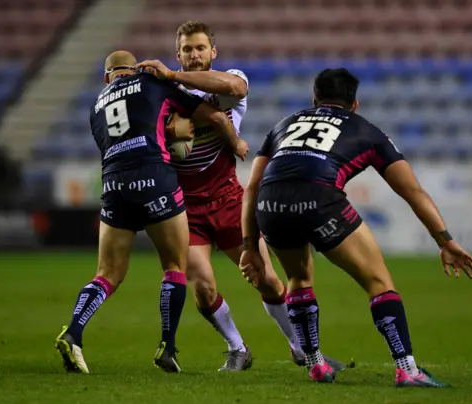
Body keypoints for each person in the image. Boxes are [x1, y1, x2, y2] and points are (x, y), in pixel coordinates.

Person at [239, 67, 472, 385]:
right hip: (318, 199)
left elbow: (252, 187)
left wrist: (249, 246)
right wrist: (444, 240)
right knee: (378, 281)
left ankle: (316, 364)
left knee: (298, 277)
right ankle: (407, 370)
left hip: (270, 204)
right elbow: (412, 191)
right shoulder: (366, 131)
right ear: (355, 104)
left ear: (314, 99)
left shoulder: (284, 124)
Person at [135, 21, 346, 372]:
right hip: (183, 207)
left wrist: (172, 76)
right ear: (179, 53)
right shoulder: (162, 97)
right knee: (201, 285)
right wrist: (169, 125)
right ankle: (237, 347)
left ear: (213, 52)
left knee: (264, 276)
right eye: (187, 49)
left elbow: (234, 86)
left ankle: (300, 348)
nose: (194, 54)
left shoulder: (225, 79)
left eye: (200, 48)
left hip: (228, 198)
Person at [54, 50, 241, 374]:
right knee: (174, 265)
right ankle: (167, 347)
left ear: (106, 78)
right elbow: (211, 115)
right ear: (135, 68)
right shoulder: (152, 83)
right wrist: (225, 139)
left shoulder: (96, 106)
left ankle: (73, 333)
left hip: (113, 186)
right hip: (155, 178)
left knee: (107, 274)